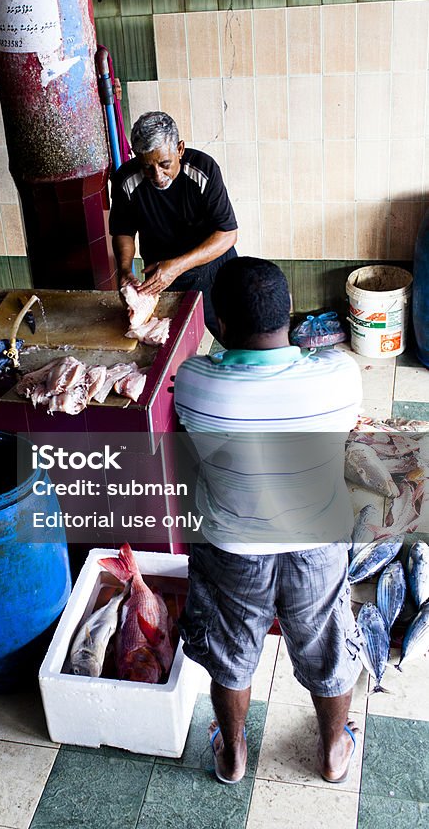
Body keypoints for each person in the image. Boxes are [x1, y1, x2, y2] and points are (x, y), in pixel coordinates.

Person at [173, 257, 364, 786]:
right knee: (325, 641)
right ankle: (331, 751)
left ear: (223, 325)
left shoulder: (195, 384)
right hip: (316, 543)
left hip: (233, 548)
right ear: (292, 316)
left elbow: (202, 381)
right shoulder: (341, 378)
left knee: (231, 653)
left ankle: (232, 755)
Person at [109, 111, 238, 339]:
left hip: (212, 264)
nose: (158, 175)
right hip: (160, 274)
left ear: (179, 149)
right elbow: (123, 230)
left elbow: (227, 234)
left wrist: (176, 267)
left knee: (233, 332)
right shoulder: (125, 180)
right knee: (168, 339)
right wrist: (125, 269)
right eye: (147, 167)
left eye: (165, 164)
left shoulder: (203, 169)